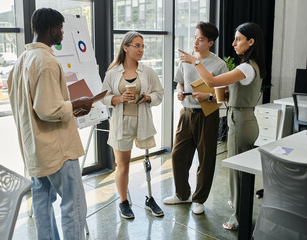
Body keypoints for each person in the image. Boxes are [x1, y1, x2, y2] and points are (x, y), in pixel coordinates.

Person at [7, 8, 93, 240]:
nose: (63, 33)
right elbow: (48, 110)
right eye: (61, 29)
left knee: (42, 203)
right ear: (53, 29)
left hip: (35, 149)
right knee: (73, 206)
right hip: (58, 150)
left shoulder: (21, 62)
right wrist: (77, 104)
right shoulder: (46, 62)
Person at [178, 22, 266, 230]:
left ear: (250, 42)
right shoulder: (253, 66)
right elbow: (228, 93)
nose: (233, 43)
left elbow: (211, 81)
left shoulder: (245, 67)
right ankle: (238, 204)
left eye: (238, 39)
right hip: (245, 118)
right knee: (240, 170)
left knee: (238, 172)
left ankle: (238, 218)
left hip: (241, 120)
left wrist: (195, 62)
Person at [163, 22, 228, 215]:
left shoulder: (219, 64)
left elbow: (223, 95)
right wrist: (180, 92)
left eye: (200, 39)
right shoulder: (185, 60)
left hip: (207, 115)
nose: (196, 42)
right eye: (194, 38)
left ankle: (199, 199)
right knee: (178, 155)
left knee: (206, 158)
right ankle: (183, 195)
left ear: (210, 42)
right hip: (186, 113)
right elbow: (180, 83)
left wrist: (207, 97)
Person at [101, 31, 164, 219]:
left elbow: (159, 94)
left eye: (143, 46)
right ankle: (123, 201)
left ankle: (150, 198)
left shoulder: (147, 72)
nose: (141, 50)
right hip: (122, 124)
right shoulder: (112, 73)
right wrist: (118, 98)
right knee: (123, 166)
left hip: (143, 121)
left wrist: (148, 98)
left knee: (147, 161)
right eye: (137, 45)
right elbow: (103, 97)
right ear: (126, 48)